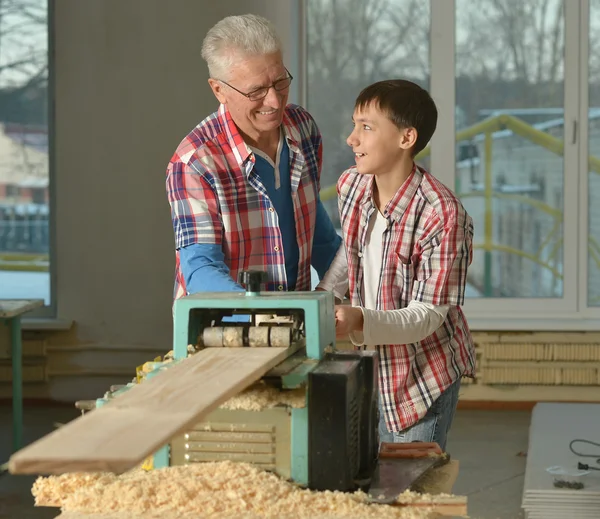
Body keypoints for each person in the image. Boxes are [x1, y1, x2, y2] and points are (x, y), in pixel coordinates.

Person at [318, 79, 475, 451]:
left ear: (407, 138)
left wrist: (359, 320)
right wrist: (322, 298)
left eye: (366, 127)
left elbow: (425, 316)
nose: (351, 139)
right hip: (367, 366)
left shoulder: (443, 215)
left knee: (409, 493)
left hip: (420, 377)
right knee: (367, 481)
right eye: (354, 124)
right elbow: (352, 251)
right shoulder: (352, 185)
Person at [165, 14, 343, 299]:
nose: (274, 101)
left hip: (295, 321)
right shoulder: (195, 161)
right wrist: (263, 314)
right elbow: (200, 269)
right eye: (257, 91)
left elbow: (315, 233)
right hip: (222, 327)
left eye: (280, 81)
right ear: (218, 90)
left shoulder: (303, 128)